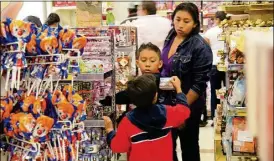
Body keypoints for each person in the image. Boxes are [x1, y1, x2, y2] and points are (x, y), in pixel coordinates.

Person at [161, 2, 213, 161]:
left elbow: (199, 85)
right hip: (166, 102)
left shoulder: (200, 46)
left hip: (188, 104)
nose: (180, 25)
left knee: (188, 146)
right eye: (177, 19)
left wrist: (181, 110)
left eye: (186, 21)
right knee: (167, 146)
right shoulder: (171, 35)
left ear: (195, 23)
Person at [103, 74, 190, 161]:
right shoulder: (167, 112)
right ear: (155, 95)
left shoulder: (127, 121)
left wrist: (110, 130)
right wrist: (178, 89)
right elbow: (184, 111)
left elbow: (118, 147)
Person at [203, 11, 227, 126]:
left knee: (214, 90)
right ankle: (226, 115)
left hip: (214, 64)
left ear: (217, 19)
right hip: (227, 64)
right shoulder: (227, 30)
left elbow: (206, 49)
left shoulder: (210, 32)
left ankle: (214, 117)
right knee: (227, 90)